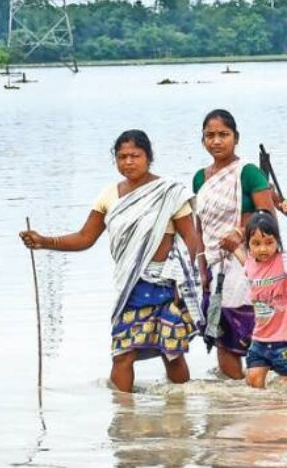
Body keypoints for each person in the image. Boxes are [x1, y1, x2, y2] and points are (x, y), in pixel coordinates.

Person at [19, 130, 201, 393]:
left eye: (135, 156)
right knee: (122, 353)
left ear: (149, 157)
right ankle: (123, 419)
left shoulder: (170, 192)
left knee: (171, 354)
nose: (128, 162)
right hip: (130, 288)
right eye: (122, 156)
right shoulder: (108, 195)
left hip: (165, 286)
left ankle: (182, 411)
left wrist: (185, 281)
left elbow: (191, 239)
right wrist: (44, 241)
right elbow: (85, 237)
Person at [193, 109, 275, 380]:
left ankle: (258, 397)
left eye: (223, 135)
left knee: (251, 326)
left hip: (245, 262)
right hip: (216, 265)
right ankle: (234, 393)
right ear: (203, 140)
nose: (216, 141)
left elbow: (267, 215)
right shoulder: (200, 178)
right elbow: (200, 227)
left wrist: (241, 233)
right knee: (221, 330)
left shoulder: (248, 172)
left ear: (236, 138)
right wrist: (201, 267)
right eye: (210, 135)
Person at [221, 203, 287, 388]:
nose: (263, 249)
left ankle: (283, 415)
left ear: (277, 241)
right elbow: (240, 256)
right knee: (253, 380)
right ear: (248, 244)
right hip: (261, 339)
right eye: (256, 244)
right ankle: (263, 415)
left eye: (269, 242)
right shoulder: (250, 264)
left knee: (286, 388)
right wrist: (233, 243)